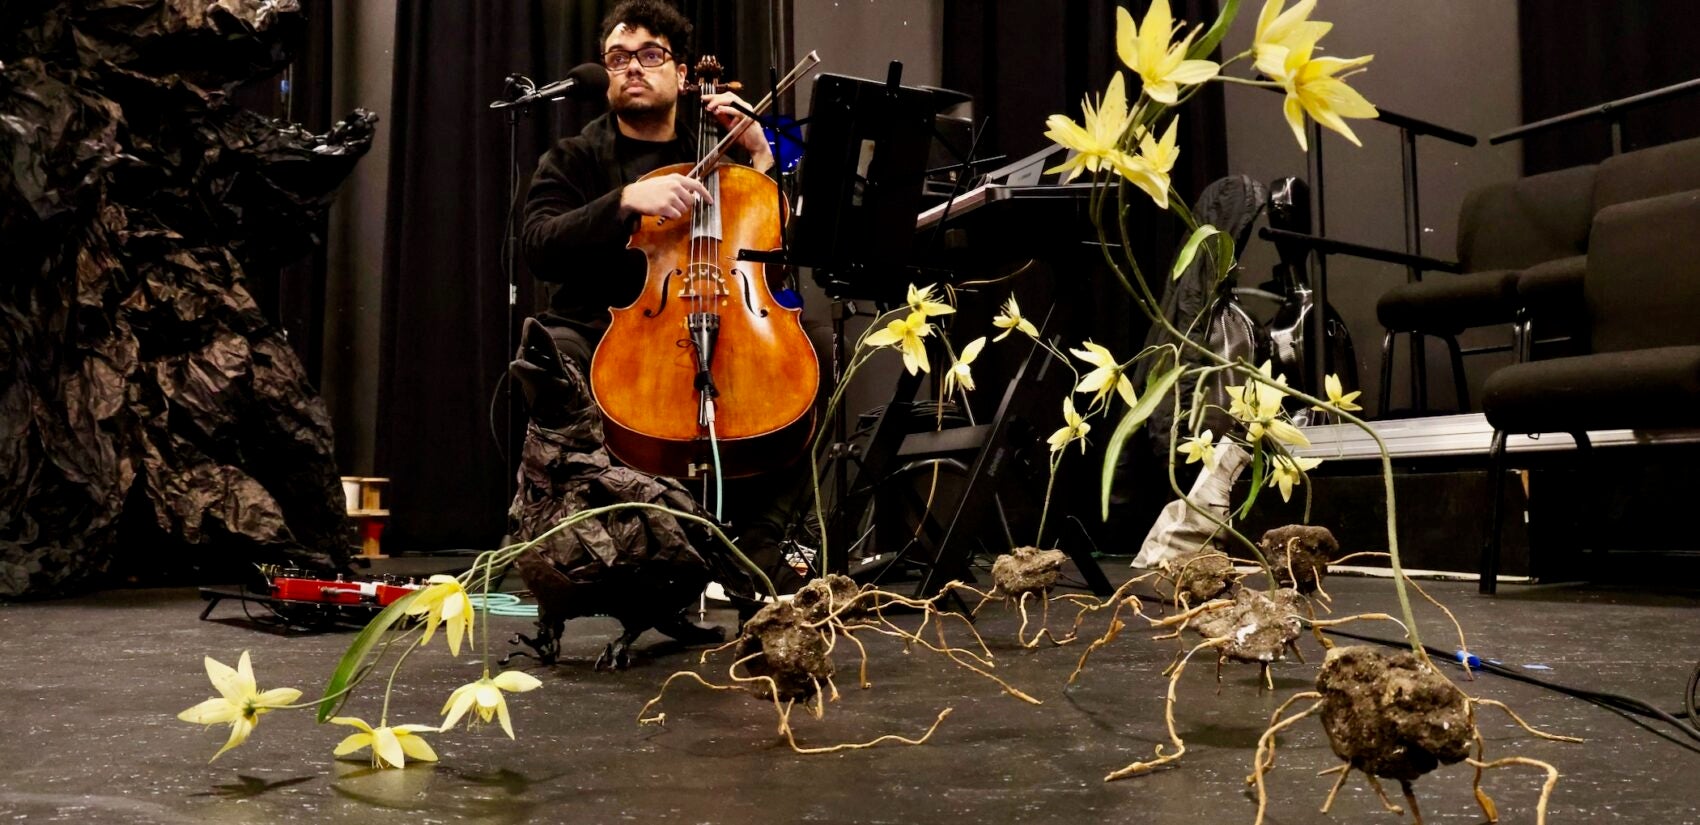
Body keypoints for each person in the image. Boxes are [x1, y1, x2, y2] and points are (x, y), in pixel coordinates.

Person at [521, 0, 812, 602]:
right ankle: (604, 550)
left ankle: (756, 550)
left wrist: (761, 158)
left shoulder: (725, 152)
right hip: (599, 325)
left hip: (723, 308)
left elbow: (774, 238)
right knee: (555, 357)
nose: (633, 68)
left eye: (650, 56)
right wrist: (626, 199)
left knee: (810, 361)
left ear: (681, 74)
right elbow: (539, 244)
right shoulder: (573, 157)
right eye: (618, 58)